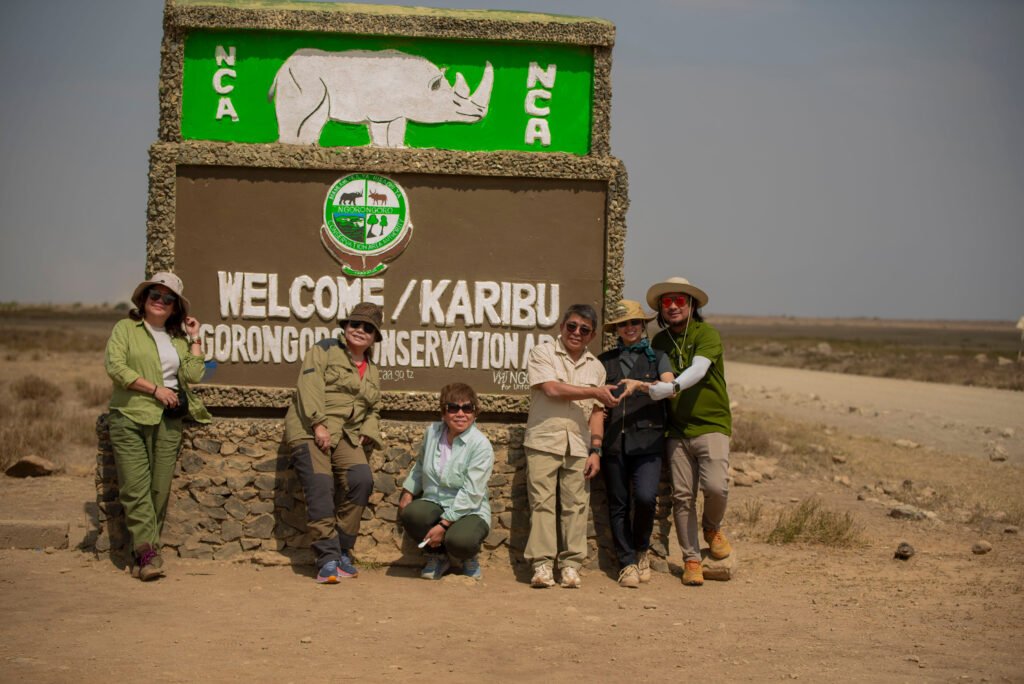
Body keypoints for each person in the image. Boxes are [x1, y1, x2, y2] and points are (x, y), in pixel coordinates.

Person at [104, 272, 210, 581]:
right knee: (135, 487)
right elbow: (116, 367)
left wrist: (195, 339)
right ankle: (148, 552)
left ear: (176, 306)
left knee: (158, 489)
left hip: (168, 421)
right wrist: (155, 390)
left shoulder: (177, 339)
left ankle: (142, 554)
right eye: (155, 296)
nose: (161, 302)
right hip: (131, 415)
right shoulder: (126, 329)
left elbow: (193, 376)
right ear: (144, 299)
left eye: (168, 299)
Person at [284, 302, 383, 584]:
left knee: (361, 480)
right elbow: (309, 387)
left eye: (368, 328)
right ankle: (326, 559)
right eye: (355, 324)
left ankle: (341, 549)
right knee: (320, 484)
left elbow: (374, 408)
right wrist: (318, 423)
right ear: (345, 327)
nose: (360, 330)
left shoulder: (372, 370)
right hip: (308, 427)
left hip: (346, 434)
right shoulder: (324, 349)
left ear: (375, 336)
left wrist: (369, 428)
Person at [523, 304, 621, 589]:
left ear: (592, 335)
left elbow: (596, 413)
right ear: (562, 326)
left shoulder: (597, 368)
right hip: (544, 439)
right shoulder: (542, 353)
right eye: (572, 326)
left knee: (576, 506)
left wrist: (596, 450)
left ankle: (570, 565)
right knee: (541, 503)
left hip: (579, 446)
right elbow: (552, 389)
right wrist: (594, 391)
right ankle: (541, 564)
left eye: (584, 329)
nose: (576, 333)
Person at [646, 277, 733, 586]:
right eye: (666, 302)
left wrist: (673, 386)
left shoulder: (706, 333)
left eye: (679, 301)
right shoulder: (659, 342)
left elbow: (698, 368)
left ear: (692, 305)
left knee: (715, 486)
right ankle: (691, 559)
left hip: (711, 424)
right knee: (682, 495)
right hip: (677, 430)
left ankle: (712, 527)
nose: (672, 306)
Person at [597, 300, 675, 588]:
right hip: (613, 442)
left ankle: (642, 549)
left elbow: (670, 390)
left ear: (643, 326)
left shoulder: (658, 358)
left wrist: (640, 385)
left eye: (634, 322)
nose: (629, 328)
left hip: (649, 440)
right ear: (616, 329)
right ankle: (627, 563)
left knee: (644, 498)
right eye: (623, 324)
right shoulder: (604, 361)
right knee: (617, 504)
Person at [398, 383, 494, 581]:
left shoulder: (480, 445)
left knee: (460, 540)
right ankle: (437, 556)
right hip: (435, 501)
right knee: (412, 514)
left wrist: (443, 525)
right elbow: (420, 464)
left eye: (467, 408)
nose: (460, 414)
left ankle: (468, 558)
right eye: (453, 408)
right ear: (443, 412)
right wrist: (408, 492)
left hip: (470, 509)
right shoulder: (432, 433)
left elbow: (471, 493)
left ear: (475, 413)